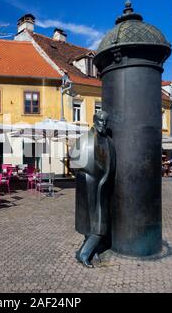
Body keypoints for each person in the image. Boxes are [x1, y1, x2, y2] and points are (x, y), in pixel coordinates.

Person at [70, 111, 115, 268]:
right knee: (93, 222)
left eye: (106, 121)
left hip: (101, 186)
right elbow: (73, 160)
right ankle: (83, 253)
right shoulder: (85, 139)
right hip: (87, 183)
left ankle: (89, 250)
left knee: (97, 221)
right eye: (101, 121)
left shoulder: (108, 141)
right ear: (94, 121)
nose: (103, 124)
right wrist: (86, 173)